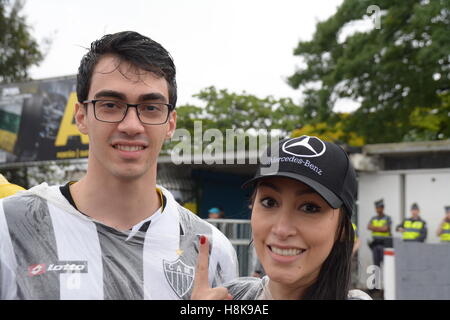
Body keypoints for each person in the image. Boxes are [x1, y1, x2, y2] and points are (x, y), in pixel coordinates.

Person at [0, 31, 238, 300]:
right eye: (111, 105)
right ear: (81, 116)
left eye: (150, 107)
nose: (131, 126)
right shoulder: (9, 227)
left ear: (170, 123)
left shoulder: (212, 249)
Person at [192, 135, 371, 300]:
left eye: (310, 208)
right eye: (269, 202)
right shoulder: (231, 295)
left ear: (341, 228)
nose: (282, 230)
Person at [367, 199, 392, 267]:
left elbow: (385, 229)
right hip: (375, 244)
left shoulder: (387, 218)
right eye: (376, 208)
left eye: (378, 208)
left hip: (384, 245)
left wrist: (374, 228)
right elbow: (368, 227)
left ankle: (386, 278)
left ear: (382, 208)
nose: (377, 209)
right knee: (376, 266)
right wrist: (380, 228)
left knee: (386, 265)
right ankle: (377, 278)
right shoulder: (373, 218)